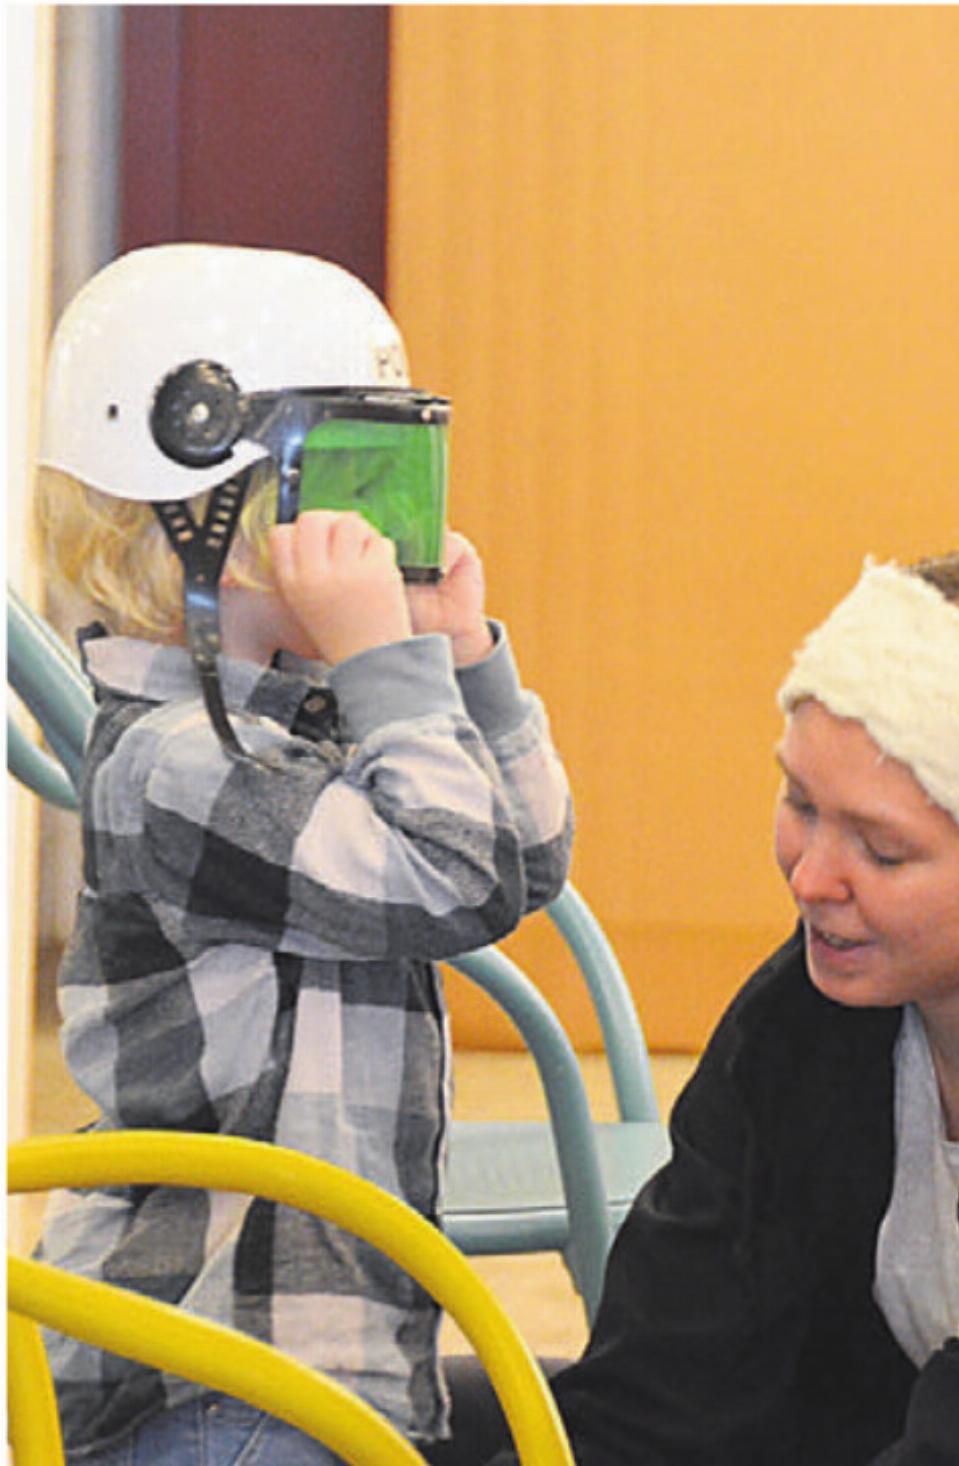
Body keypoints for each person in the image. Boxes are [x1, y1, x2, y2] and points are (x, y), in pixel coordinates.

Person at [31, 243, 574, 1465]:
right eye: (345, 480)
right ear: (203, 516)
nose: (385, 528)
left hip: (328, 1356)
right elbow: (453, 870)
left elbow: (525, 863)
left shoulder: (312, 717)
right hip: (214, 1369)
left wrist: (464, 658)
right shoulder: (171, 764)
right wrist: (392, 670)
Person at [440, 545, 959, 1466]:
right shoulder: (800, 1028)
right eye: (800, 804)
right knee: (378, 1418)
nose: (813, 877)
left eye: (884, 852)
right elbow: (659, 1386)